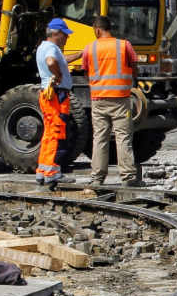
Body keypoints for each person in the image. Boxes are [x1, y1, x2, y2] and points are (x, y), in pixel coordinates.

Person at [81, 15, 145, 187]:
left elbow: (86, 72)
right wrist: (134, 82)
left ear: (97, 29)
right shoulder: (124, 45)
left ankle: (97, 178)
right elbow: (134, 67)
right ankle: (128, 177)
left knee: (100, 138)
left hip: (98, 100)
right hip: (121, 100)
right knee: (123, 137)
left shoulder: (89, 48)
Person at [35, 18, 77, 190]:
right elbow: (52, 62)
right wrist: (58, 76)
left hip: (48, 94)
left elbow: (60, 60)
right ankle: (53, 173)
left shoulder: (43, 47)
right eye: (65, 35)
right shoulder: (51, 48)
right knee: (57, 133)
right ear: (56, 34)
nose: (67, 38)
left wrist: (81, 54)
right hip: (57, 95)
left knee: (49, 133)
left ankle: (43, 171)